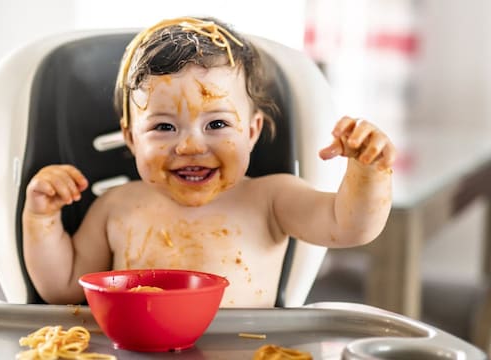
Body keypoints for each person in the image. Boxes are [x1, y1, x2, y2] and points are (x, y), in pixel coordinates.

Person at [22, 16, 396, 307]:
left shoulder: (272, 199)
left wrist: (368, 171)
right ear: (132, 137)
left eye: (216, 123)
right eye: (164, 126)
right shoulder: (116, 207)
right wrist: (41, 219)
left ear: (251, 132)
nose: (189, 146)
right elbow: (63, 289)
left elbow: (349, 226)